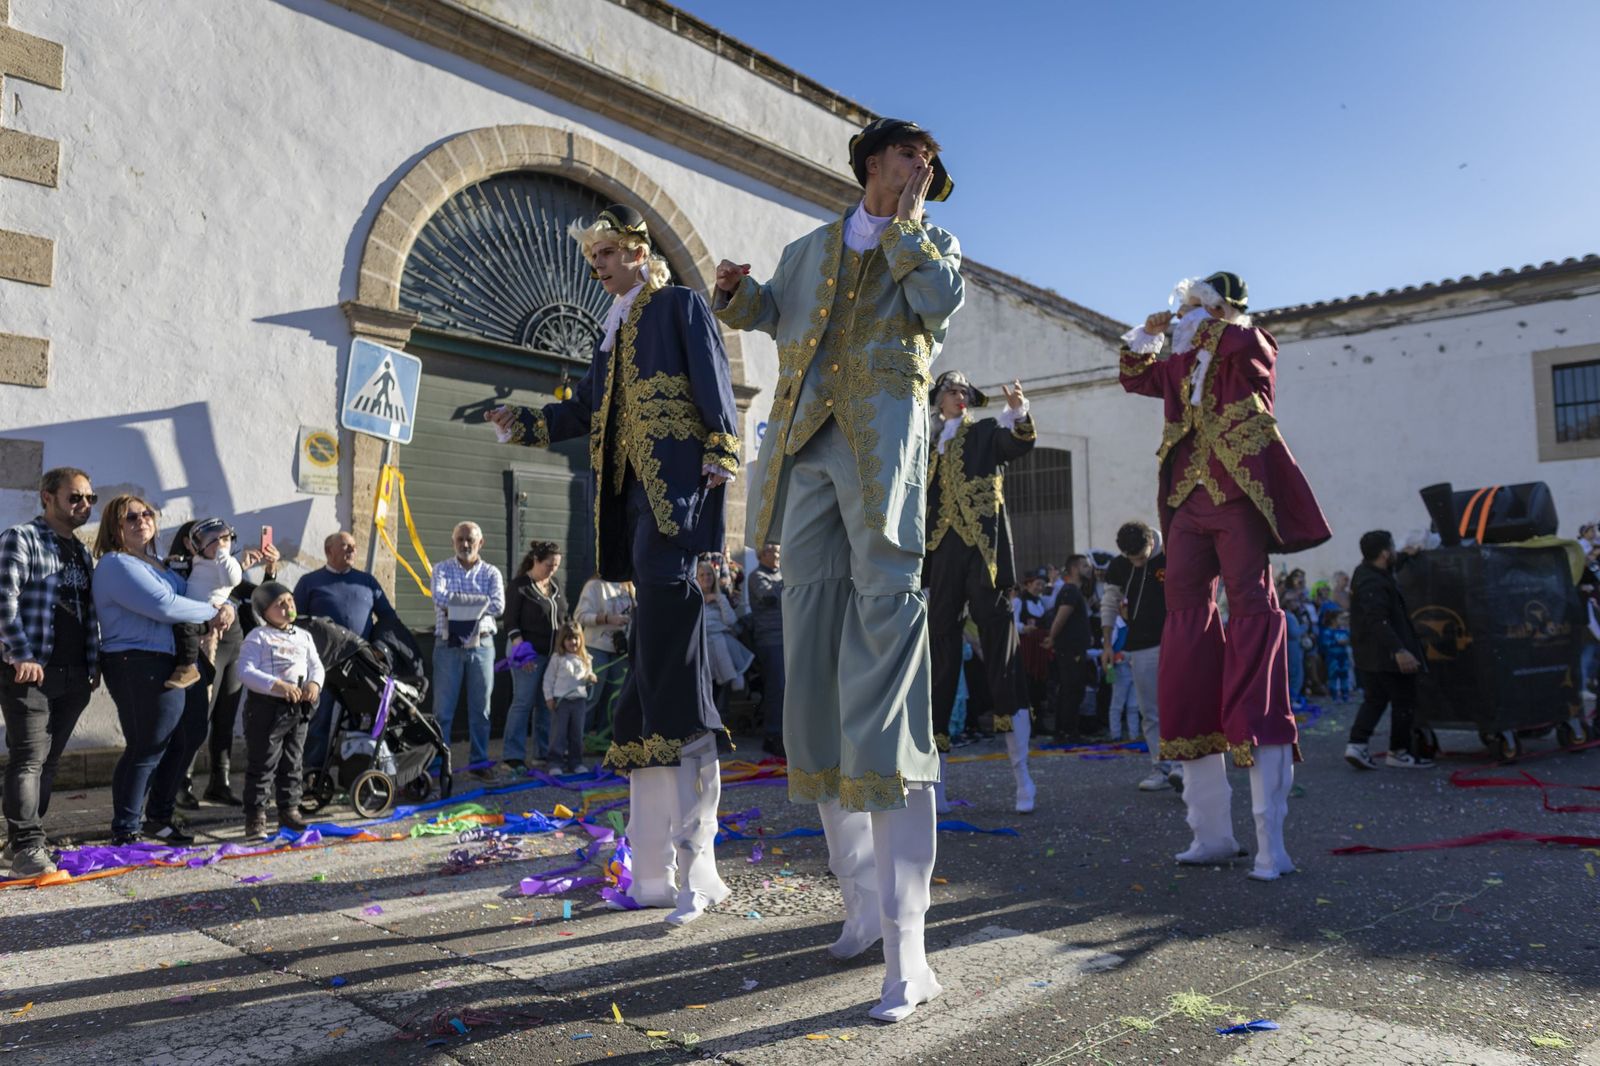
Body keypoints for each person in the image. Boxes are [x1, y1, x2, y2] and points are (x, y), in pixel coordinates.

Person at [714, 116, 961, 1021]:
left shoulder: (931, 241)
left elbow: (937, 307)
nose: (921, 167)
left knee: (887, 666)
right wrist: (738, 296)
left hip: (882, 457)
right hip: (807, 452)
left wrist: (905, 227)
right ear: (869, 161)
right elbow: (777, 311)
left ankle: (911, 949)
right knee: (809, 668)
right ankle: (859, 908)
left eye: (927, 160)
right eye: (908, 154)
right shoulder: (810, 245)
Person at [487, 201, 739, 926]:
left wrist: (716, 475)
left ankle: (701, 869)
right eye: (591, 258)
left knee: (672, 679)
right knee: (651, 681)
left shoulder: (680, 307)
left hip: (676, 511)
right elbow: (589, 410)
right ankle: (656, 870)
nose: (595, 268)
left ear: (637, 249)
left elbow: (715, 392)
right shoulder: (612, 334)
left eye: (604, 254)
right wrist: (528, 422)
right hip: (631, 512)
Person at [1120, 271, 1331, 883]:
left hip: (1237, 493)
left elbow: (1257, 353)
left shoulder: (1243, 344)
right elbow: (1135, 373)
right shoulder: (1180, 363)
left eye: (1191, 306)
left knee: (1251, 609)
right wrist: (1150, 333)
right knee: (1185, 621)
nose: (1180, 314)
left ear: (1214, 309)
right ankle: (1209, 835)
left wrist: (1214, 319)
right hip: (1187, 502)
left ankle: (1272, 845)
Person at [923, 369, 1037, 814]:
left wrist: (1017, 411)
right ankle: (937, 785)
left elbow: (1019, 444)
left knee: (1001, 651)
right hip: (943, 554)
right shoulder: (927, 445)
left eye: (965, 391)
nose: (961, 396)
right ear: (938, 399)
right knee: (941, 660)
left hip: (984, 551)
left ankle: (1022, 778)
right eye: (953, 390)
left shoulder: (987, 431)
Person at [92, 495, 233, 845]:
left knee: (189, 737)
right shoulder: (115, 564)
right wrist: (210, 613)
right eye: (130, 518)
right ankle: (126, 827)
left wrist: (225, 604)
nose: (141, 521)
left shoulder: (161, 564)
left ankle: (160, 816)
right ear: (115, 527)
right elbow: (165, 606)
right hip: (137, 660)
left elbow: (198, 594)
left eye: (146, 514)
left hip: (179, 660)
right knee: (148, 744)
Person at [0, 467, 99, 878]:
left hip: (75, 675)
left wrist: (93, 666)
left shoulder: (81, 551)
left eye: (89, 499)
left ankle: (24, 840)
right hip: (31, 670)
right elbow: (3, 598)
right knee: (28, 759)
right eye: (75, 497)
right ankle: (26, 847)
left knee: (49, 761)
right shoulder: (20, 538)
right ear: (47, 497)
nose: (84, 505)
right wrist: (20, 654)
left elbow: (88, 611)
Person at [169, 518, 279, 810]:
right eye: (213, 539)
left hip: (234, 642)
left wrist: (269, 569)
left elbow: (256, 596)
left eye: (224, 538)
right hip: (206, 641)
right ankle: (181, 782)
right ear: (191, 542)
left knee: (226, 716)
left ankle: (220, 783)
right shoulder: (185, 568)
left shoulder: (225, 564)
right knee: (198, 715)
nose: (220, 543)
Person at [294, 531, 401, 769]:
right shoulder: (309, 583)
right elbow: (295, 622)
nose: (352, 550)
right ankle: (311, 771)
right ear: (328, 551)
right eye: (345, 546)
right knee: (318, 719)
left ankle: (356, 770)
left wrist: (381, 648)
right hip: (323, 665)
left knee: (360, 719)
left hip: (361, 667)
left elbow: (388, 618)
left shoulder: (367, 582)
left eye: (353, 546)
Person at [237, 581, 323, 837]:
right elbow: (246, 671)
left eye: (290, 601)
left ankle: (289, 811)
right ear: (264, 612)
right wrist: (277, 685)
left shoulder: (304, 636)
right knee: (263, 764)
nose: (288, 607)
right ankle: (256, 817)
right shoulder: (258, 637)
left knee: (293, 761)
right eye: (279, 604)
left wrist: (314, 683)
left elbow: (315, 664)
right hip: (266, 709)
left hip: (297, 708)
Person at [1345, 531, 1433, 770]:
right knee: (1404, 701)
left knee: (1375, 699)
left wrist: (1406, 555)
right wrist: (1399, 651)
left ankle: (1357, 744)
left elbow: (1390, 566)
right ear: (1384, 553)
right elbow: (1378, 620)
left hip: (1369, 655)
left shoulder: (1366, 573)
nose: (1395, 551)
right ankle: (1399, 751)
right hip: (1385, 655)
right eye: (1392, 548)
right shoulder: (1374, 582)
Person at [1099, 520, 1174, 791]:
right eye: (1132, 560)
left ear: (1151, 543)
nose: (1138, 564)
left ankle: (1182, 763)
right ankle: (1161, 767)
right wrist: (1108, 644)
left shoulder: (1172, 554)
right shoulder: (1119, 567)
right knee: (1149, 711)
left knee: (1175, 705)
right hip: (1141, 645)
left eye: (1141, 558)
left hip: (1175, 641)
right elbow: (1109, 603)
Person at [430, 521, 505, 781]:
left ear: (480, 543)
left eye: (470, 540)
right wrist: (477, 602)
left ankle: (479, 762)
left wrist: (458, 604)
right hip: (447, 644)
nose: (465, 544)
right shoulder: (440, 569)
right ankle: (440, 764)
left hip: (482, 645)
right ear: (453, 542)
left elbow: (498, 606)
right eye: (460, 539)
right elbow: (439, 599)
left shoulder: (492, 573)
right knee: (442, 712)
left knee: (481, 710)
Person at [502, 540, 565, 772]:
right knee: (523, 702)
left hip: (552, 655)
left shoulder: (555, 585)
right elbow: (510, 621)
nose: (553, 570)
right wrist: (522, 653)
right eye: (549, 565)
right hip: (527, 653)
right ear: (536, 561)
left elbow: (562, 618)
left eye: (556, 565)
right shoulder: (520, 585)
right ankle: (512, 756)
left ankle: (542, 753)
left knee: (546, 704)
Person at [574, 572, 634, 739]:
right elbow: (580, 615)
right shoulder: (594, 585)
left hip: (621, 651)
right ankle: (578, 740)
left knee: (614, 700)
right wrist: (608, 619)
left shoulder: (629, 586)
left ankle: (604, 740)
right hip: (596, 648)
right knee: (592, 697)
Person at [1044, 555, 1094, 741]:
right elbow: (1061, 617)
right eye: (1085, 566)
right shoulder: (1070, 591)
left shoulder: (1075, 592)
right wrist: (1051, 637)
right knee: (1071, 690)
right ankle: (1066, 732)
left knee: (1074, 689)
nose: (1089, 569)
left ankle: (1068, 730)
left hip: (1075, 649)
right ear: (1074, 569)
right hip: (1070, 650)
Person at [699, 558, 753, 716]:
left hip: (722, 646)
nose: (706, 578)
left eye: (709, 574)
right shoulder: (693, 598)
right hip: (704, 649)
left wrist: (719, 599)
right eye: (701, 575)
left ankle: (720, 725)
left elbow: (730, 620)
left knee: (722, 691)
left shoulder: (720, 597)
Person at [543, 620, 597, 775]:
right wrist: (549, 698)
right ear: (562, 641)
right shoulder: (557, 659)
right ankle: (555, 763)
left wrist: (591, 677)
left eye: (576, 638)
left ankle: (576, 762)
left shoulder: (586, 658)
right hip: (561, 702)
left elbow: (587, 676)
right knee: (558, 734)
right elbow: (548, 679)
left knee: (577, 734)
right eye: (568, 639)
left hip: (579, 702)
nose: (573, 642)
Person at [747, 543, 786, 758]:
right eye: (773, 550)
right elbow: (770, 597)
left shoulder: (781, 575)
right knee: (776, 689)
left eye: (779, 550)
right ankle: (773, 735)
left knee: (787, 689)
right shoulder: (757, 576)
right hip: (770, 640)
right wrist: (790, 581)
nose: (778, 554)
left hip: (787, 638)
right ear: (762, 554)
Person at [1320, 608, 1353, 703]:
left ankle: (1345, 695)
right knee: (1333, 676)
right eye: (1341, 619)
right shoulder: (1327, 631)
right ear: (1333, 620)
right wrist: (1337, 642)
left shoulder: (1344, 631)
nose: (1344, 621)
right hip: (1332, 658)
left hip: (1343, 657)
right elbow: (1325, 643)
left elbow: (1350, 640)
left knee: (1344, 675)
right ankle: (1334, 696)